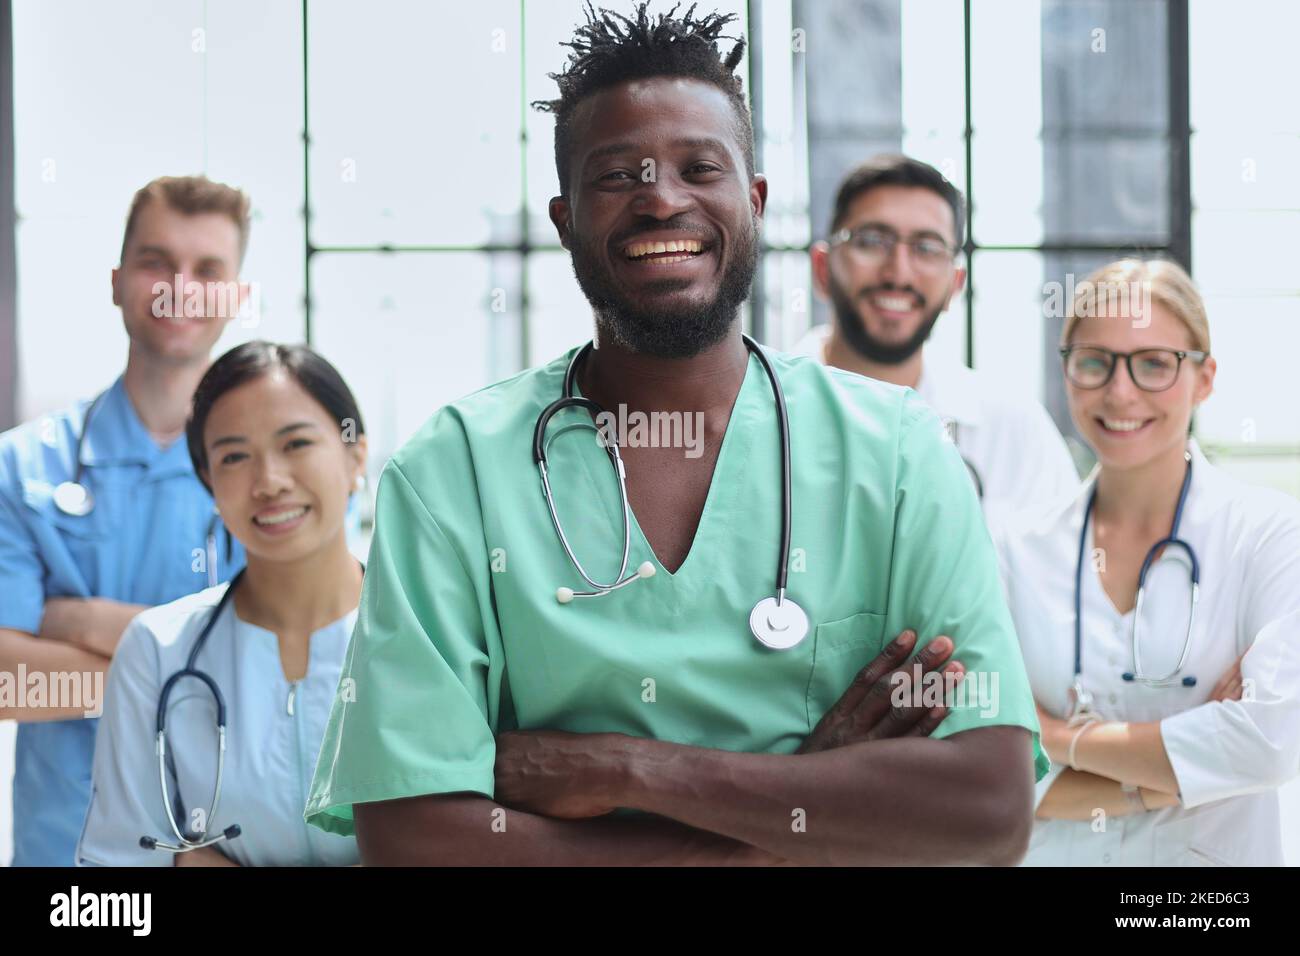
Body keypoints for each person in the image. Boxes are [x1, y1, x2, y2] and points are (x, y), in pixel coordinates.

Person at [304, 2, 1047, 867]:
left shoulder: (899, 455)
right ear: (564, 218)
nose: (662, 197)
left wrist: (630, 769)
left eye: (701, 166)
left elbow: (987, 811)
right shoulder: (454, 472)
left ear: (755, 201)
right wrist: (789, 813)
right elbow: (414, 837)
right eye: (619, 175)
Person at [992, 258, 1300, 865]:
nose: (1120, 391)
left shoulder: (1269, 534)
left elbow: (1273, 742)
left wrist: (1055, 737)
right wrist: (1176, 773)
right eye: (1095, 361)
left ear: (1205, 379)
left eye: (1154, 363)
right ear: (1067, 374)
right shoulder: (1011, 547)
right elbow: (988, 767)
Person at [0, 175, 250, 865]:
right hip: (65, 863)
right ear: (116, 281)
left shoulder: (273, 472)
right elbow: (5, 679)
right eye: (155, 262)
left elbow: (282, 667)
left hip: (227, 852)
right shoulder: (23, 466)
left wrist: (79, 623)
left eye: (208, 270)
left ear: (235, 296)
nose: (179, 286)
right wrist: (201, 673)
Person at [77, 342, 366, 866]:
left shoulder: (434, 635)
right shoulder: (158, 650)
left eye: (296, 443)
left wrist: (191, 860)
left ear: (355, 455)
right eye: (234, 456)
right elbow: (119, 867)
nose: (270, 482)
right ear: (209, 481)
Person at [793, 154, 1078, 517]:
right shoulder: (755, 414)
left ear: (954, 286)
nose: (898, 273)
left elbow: (1061, 568)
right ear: (822, 269)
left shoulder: (1014, 431)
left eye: (926, 248)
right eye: (872, 241)